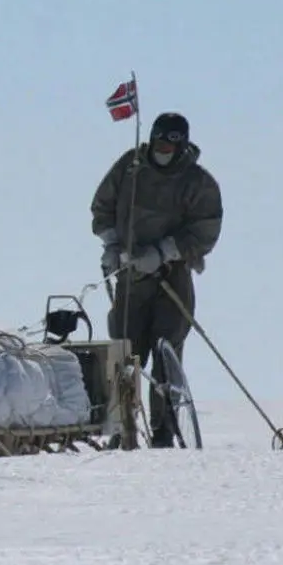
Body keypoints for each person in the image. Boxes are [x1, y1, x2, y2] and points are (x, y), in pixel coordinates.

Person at [90, 111, 223, 448]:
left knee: (166, 352)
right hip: (131, 277)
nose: (163, 147)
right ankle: (121, 429)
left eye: (170, 142)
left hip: (171, 278)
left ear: (182, 145)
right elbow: (102, 206)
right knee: (124, 351)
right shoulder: (129, 168)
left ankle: (164, 430)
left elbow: (205, 231)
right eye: (159, 140)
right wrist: (112, 244)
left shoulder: (197, 182)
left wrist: (165, 252)